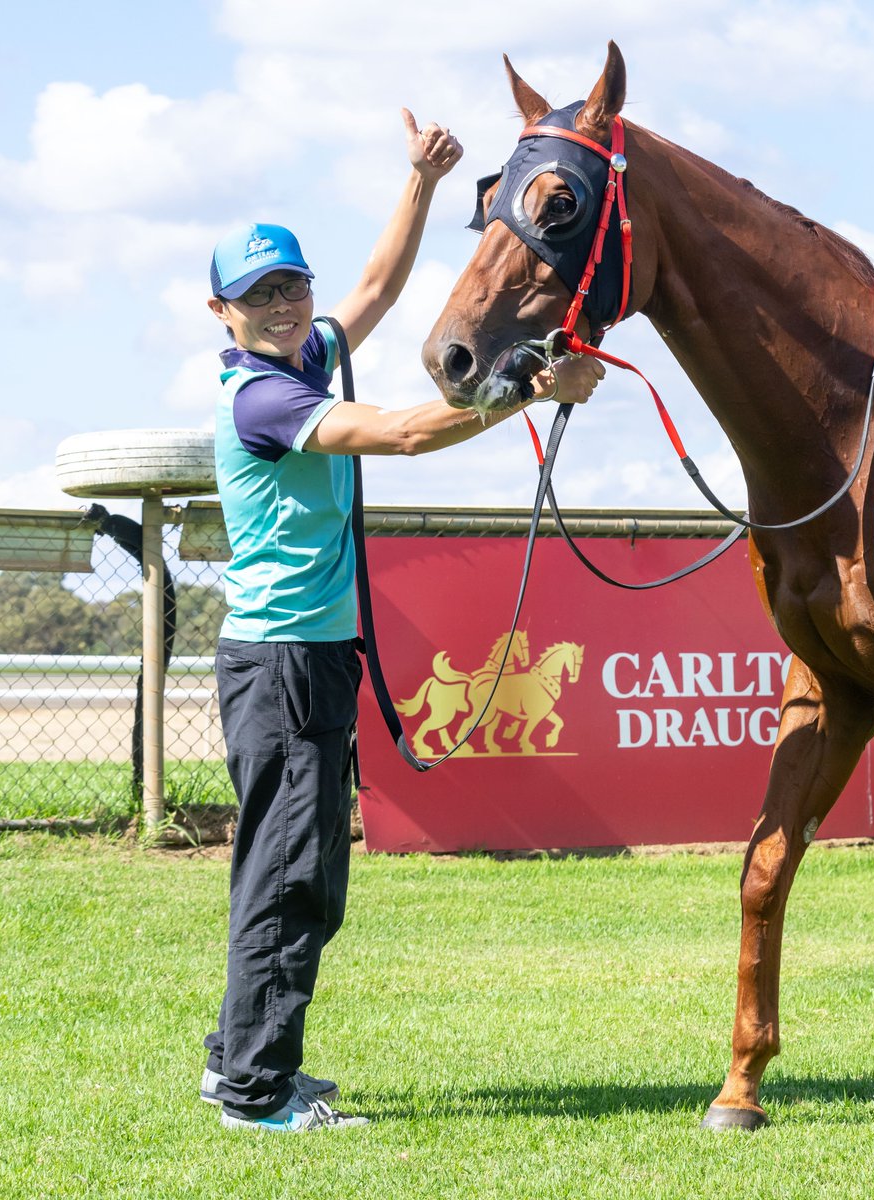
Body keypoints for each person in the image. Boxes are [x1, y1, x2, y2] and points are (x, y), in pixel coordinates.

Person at [198, 110, 604, 1134]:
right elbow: (404, 433)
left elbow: (374, 290)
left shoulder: (307, 353)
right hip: (283, 668)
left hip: (309, 661)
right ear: (223, 313)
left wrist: (419, 182)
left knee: (301, 874)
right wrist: (530, 388)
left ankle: (241, 1063)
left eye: (293, 287)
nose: (286, 308)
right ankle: (254, 1093)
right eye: (260, 297)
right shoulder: (260, 399)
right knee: (292, 880)